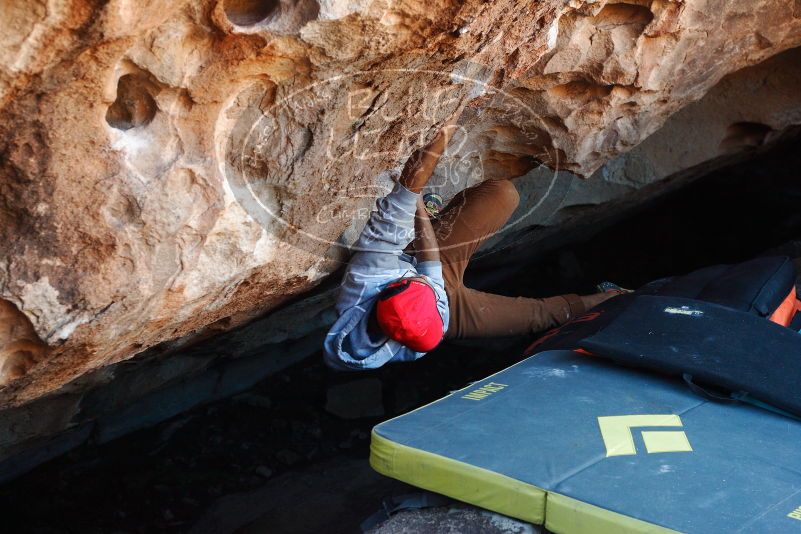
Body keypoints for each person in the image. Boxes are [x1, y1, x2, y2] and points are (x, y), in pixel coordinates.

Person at [324, 109, 620, 371]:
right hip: (448, 312)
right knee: (539, 315)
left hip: (419, 271)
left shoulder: (368, 273)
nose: (429, 284)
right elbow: (429, 270)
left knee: (502, 194)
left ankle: (433, 216)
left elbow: (410, 184)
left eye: (425, 287)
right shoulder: (426, 323)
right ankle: (615, 299)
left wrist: (449, 117)